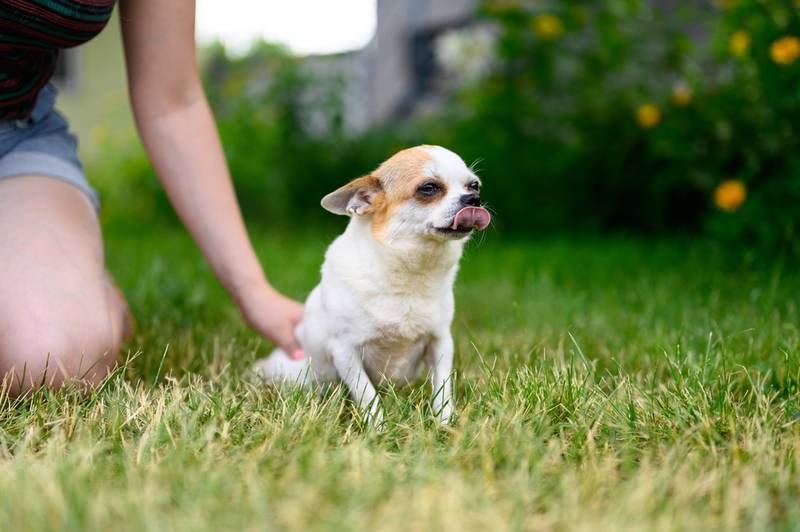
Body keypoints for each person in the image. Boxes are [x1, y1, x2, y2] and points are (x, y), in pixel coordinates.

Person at [0, 0, 304, 395]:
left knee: (48, 358)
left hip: (15, 134)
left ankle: (70, 285)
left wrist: (253, 290)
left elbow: (173, 103)